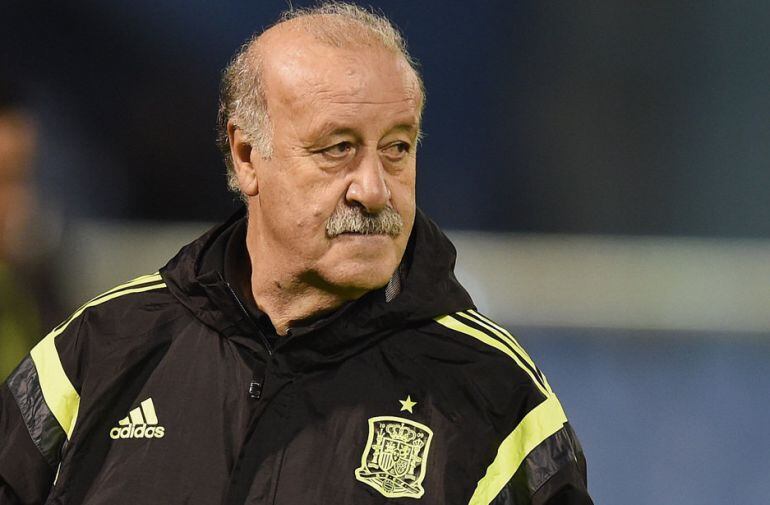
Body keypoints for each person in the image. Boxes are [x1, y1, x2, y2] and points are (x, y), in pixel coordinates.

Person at [0, 4, 592, 504]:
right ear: (246, 156)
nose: (373, 188)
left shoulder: (495, 394)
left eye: (397, 148)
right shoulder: (98, 351)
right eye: (338, 149)